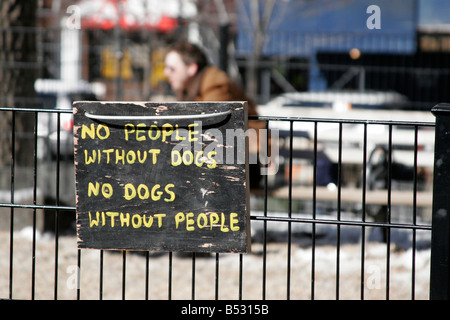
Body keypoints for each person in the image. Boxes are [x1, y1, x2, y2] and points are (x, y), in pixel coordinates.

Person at [163, 40, 265, 188]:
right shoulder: (189, 89)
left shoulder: (215, 84)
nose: (166, 73)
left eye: (172, 69)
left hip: (250, 160)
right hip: (224, 155)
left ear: (191, 68)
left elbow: (212, 129)